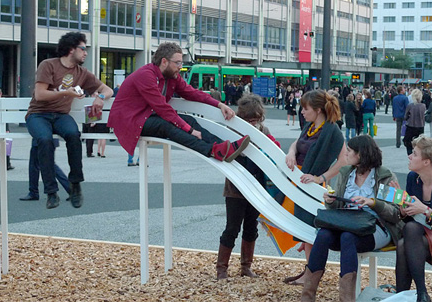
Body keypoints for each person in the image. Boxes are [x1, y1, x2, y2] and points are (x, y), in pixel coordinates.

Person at [107, 42, 250, 166]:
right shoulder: (146, 75)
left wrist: (219, 104)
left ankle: (223, 148)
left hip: (147, 116)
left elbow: (192, 92)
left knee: (189, 119)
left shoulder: (172, 76)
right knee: (167, 126)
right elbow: (162, 108)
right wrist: (189, 130)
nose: (180, 67)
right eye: (178, 63)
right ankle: (212, 151)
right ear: (164, 62)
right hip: (130, 121)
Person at [300, 135, 403, 302]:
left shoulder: (385, 176)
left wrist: (373, 203)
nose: (345, 154)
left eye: (349, 151)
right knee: (323, 234)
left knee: (348, 238)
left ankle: (346, 299)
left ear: (360, 155)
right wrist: (331, 202)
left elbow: (396, 213)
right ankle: (307, 297)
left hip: (374, 228)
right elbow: (338, 209)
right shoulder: (346, 173)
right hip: (347, 224)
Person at [265, 90, 347, 285]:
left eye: (305, 108)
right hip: (297, 181)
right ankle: (308, 271)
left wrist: (321, 178)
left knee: (309, 229)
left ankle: (311, 274)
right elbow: (296, 143)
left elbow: (343, 160)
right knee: (303, 228)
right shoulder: (310, 126)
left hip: (309, 184)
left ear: (318, 110)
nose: (301, 111)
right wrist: (291, 153)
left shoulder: (332, 131)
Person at [25, 32, 113, 209]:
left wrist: (100, 97)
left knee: (74, 134)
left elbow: (108, 89)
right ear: (71, 49)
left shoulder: (82, 73)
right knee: (44, 140)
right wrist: (67, 92)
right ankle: (51, 192)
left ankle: (75, 184)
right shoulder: (48, 65)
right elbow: (40, 94)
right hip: (38, 114)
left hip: (61, 115)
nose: (85, 53)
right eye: (83, 49)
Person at [216, 94, 280, 280]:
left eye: (256, 120)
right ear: (241, 118)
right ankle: (222, 268)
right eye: (248, 120)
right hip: (236, 188)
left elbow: (274, 149)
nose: (252, 124)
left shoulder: (264, 130)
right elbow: (226, 153)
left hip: (257, 187)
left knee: (252, 228)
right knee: (232, 228)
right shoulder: (232, 130)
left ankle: (246, 267)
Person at [394, 135, 432, 302]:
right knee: (408, 234)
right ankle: (420, 294)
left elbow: (423, 213)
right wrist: (403, 210)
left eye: (414, 154)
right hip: (420, 240)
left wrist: (425, 210)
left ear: (426, 162)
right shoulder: (412, 178)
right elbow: (409, 221)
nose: (409, 156)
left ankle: (410, 295)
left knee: (404, 243)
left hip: (424, 240)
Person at [403, 89, 426, 156]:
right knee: (420, 143)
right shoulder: (423, 106)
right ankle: (418, 154)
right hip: (420, 126)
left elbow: (405, 116)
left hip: (411, 125)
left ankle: (410, 154)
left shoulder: (410, 106)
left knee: (407, 141)